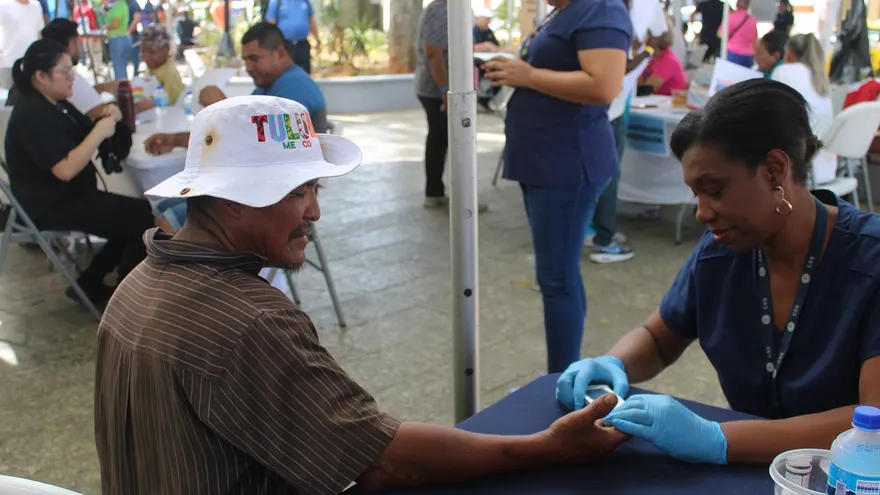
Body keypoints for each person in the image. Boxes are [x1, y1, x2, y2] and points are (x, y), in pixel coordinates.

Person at [94, 94, 630, 493]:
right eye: (298, 191)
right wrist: (544, 448)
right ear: (234, 199)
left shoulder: (138, 281)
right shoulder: (249, 321)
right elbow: (381, 461)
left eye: (315, 189)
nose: (315, 212)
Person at [556, 78, 880, 465]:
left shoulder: (870, 261)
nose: (702, 212)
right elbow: (659, 338)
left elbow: (873, 424)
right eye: (696, 194)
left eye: (715, 189)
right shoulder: (721, 255)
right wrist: (612, 367)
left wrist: (717, 438)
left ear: (775, 170)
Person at [484, 0, 632, 373]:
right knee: (560, 276)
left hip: (567, 163)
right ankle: (565, 377)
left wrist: (528, 76)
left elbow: (603, 85)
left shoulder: (600, 8)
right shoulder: (564, 11)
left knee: (556, 279)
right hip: (546, 161)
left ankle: (560, 386)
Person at [4, 39, 157, 308]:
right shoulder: (32, 114)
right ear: (40, 76)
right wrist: (100, 132)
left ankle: (89, 283)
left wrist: (105, 118)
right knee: (143, 217)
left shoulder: (56, 104)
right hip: (50, 204)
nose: (72, 78)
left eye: (72, 70)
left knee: (135, 214)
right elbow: (64, 169)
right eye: (65, 72)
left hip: (69, 195)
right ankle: (126, 302)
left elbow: (82, 132)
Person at [146, 22, 328, 153]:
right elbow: (230, 135)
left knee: (170, 206)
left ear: (279, 53)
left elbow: (263, 148)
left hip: (280, 199)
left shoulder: (293, 89)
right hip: (264, 190)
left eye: (254, 59)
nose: (248, 67)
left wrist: (224, 108)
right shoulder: (267, 86)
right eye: (245, 60)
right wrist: (173, 140)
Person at [586, 0, 647, 264]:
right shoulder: (612, 14)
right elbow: (618, 66)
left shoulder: (588, 14)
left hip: (597, 110)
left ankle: (596, 231)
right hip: (609, 110)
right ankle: (605, 239)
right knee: (608, 175)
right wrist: (646, 52)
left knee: (598, 174)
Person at [415, 0, 488, 211]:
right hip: (439, 90)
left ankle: (439, 192)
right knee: (449, 141)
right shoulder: (442, 9)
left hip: (445, 88)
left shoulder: (454, 8)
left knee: (444, 139)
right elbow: (433, 51)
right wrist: (445, 88)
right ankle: (449, 195)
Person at [5, 19, 156, 117]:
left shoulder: (29, 77)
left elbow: (77, 101)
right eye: (79, 42)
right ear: (71, 44)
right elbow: (102, 114)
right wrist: (138, 106)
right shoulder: (65, 78)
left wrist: (98, 88)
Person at [772, 33, 835, 184]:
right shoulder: (821, 79)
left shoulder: (784, 72)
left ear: (790, 52)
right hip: (826, 169)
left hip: (800, 173)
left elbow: (771, 120)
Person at [265, 0, 321, 74]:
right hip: (285, 45)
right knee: (285, 74)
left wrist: (317, 39)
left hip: (302, 45)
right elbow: (271, 23)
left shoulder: (305, 1)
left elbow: (311, 20)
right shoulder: (277, 2)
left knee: (304, 73)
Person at [138, 24, 185, 105]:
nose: (145, 58)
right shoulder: (153, 68)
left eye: (152, 53)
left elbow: (165, 106)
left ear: (166, 50)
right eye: (143, 52)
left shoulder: (170, 74)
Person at [638, 19, 687, 96]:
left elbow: (644, 89)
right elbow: (638, 82)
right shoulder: (653, 58)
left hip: (668, 106)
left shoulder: (669, 61)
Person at [0, 0, 44, 70]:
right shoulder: (3, 4)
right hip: (7, 63)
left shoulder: (36, 6)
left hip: (29, 63)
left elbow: (39, 33)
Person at [721, 0, 758, 68]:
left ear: (736, 5)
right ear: (748, 6)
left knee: (730, 75)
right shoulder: (753, 20)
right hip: (748, 55)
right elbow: (755, 39)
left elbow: (721, 34)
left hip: (732, 53)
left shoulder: (730, 17)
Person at [105, 0, 132, 80]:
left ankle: (122, 89)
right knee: (121, 68)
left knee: (119, 70)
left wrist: (106, 27)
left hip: (118, 39)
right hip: (120, 38)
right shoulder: (120, 4)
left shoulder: (119, 5)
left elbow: (115, 23)